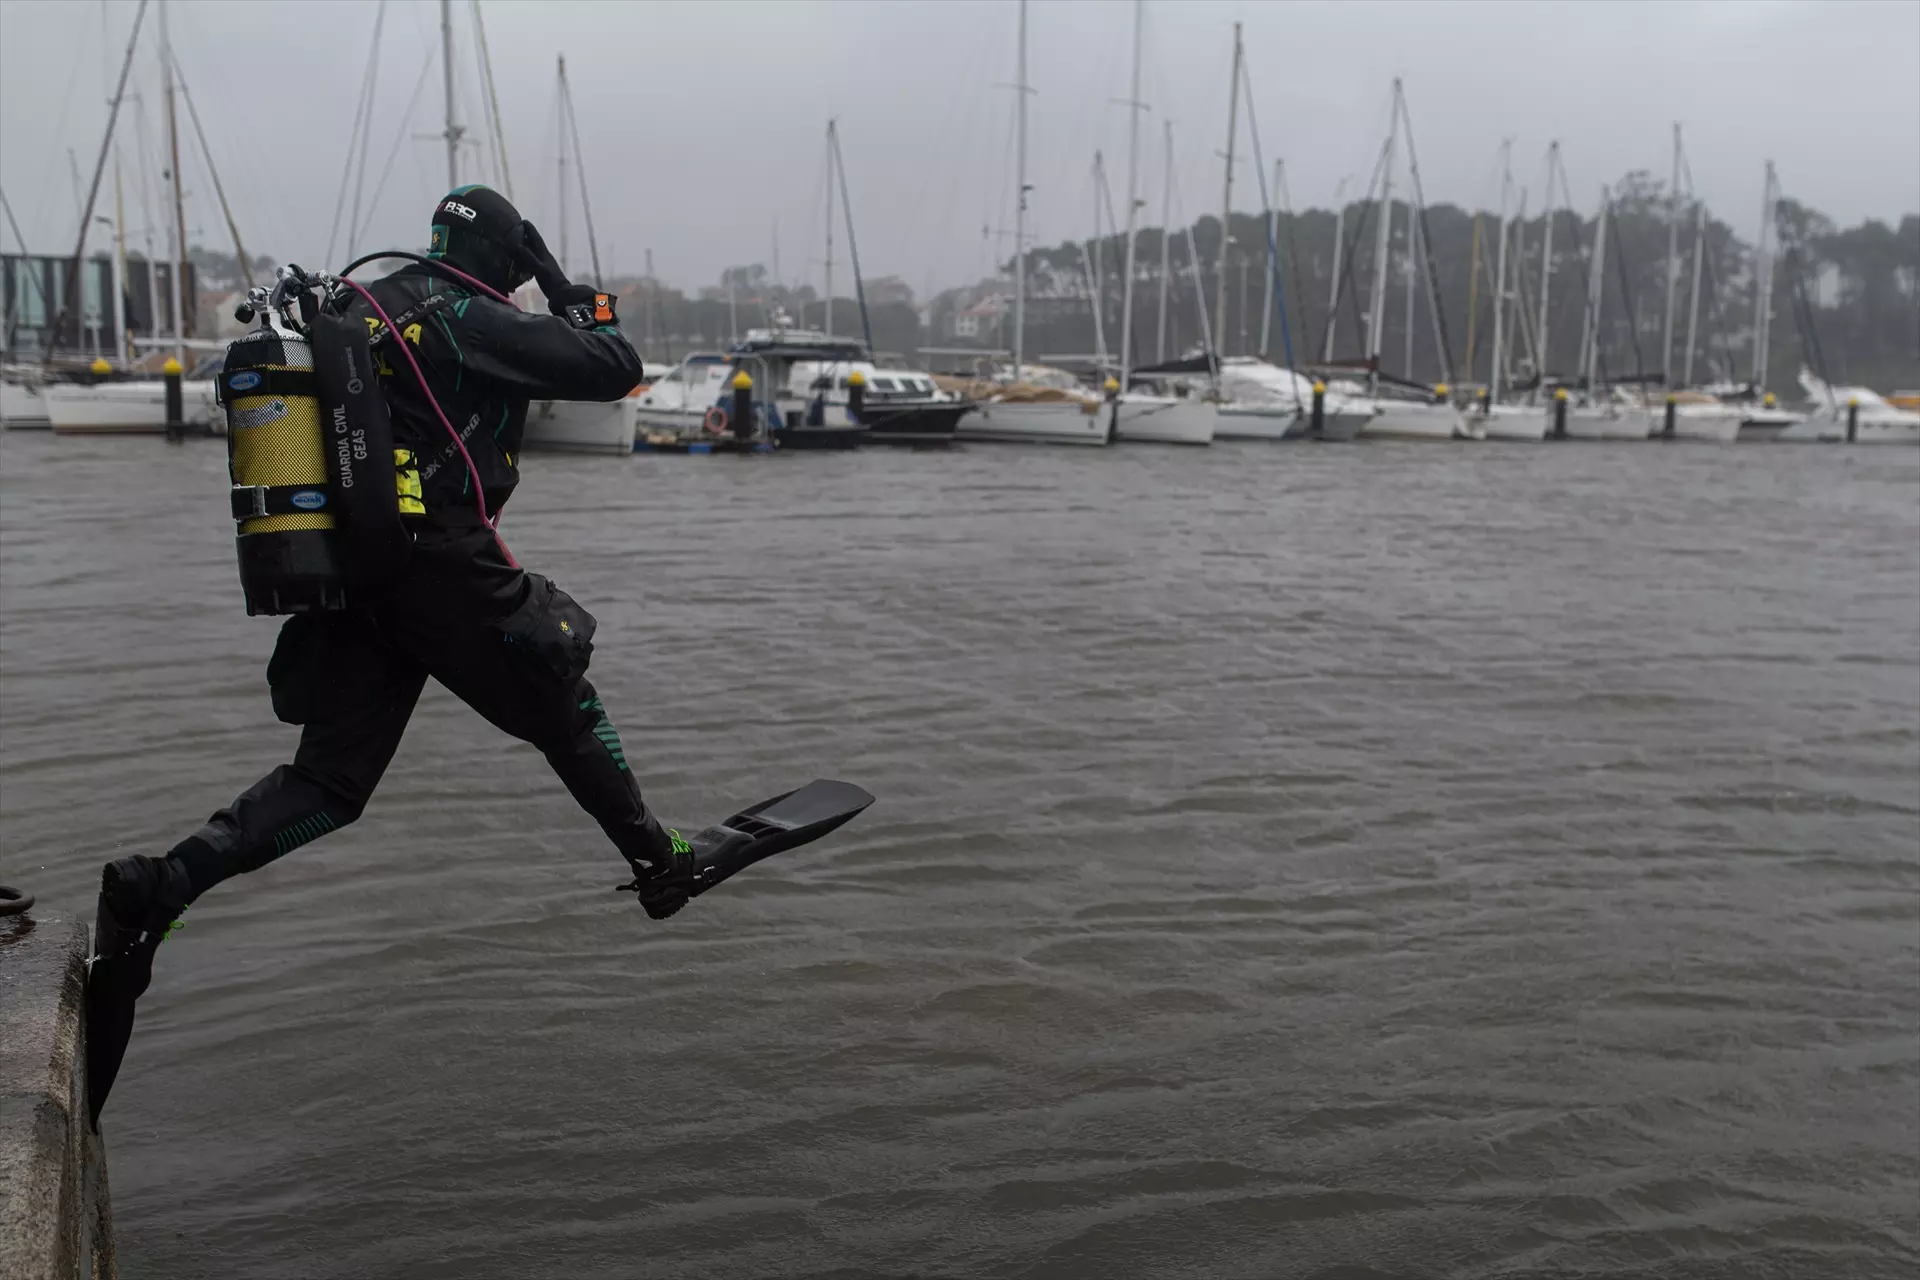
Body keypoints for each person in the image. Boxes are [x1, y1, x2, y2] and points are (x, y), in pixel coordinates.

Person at [86, 186, 693, 1120]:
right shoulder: (464, 313)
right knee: (562, 695)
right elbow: (617, 365)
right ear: (502, 257)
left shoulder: (366, 304)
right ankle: (661, 859)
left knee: (330, 784)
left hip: (358, 568)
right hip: (443, 562)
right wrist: (566, 281)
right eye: (518, 265)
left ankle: (159, 886)